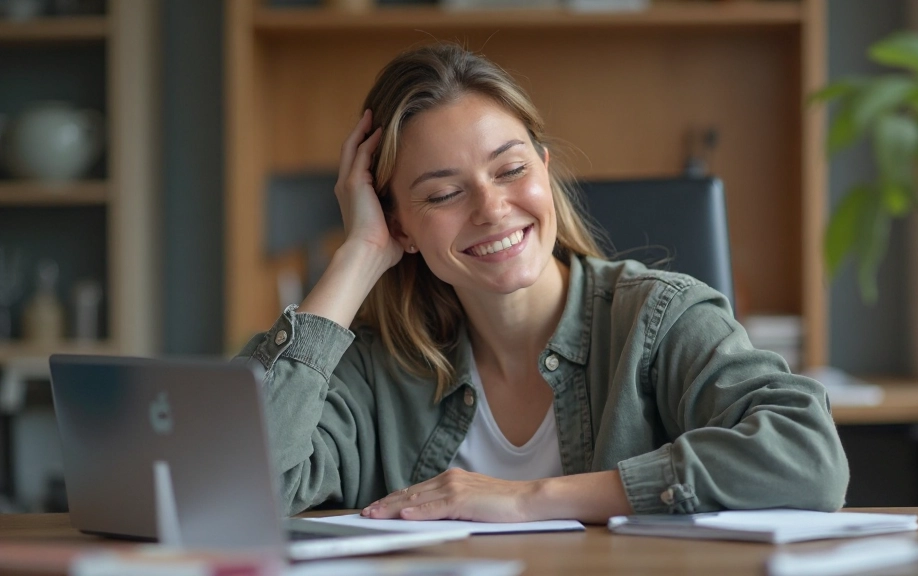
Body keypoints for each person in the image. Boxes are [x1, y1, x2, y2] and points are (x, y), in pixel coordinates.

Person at [238, 43, 849, 524]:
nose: (492, 208)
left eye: (511, 169)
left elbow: (808, 456)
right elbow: (238, 483)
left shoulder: (659, 319)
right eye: (444, 193)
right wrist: (357, 256)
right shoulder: (377, 368)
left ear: (545, 169)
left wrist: (528, 498)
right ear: (397, 221)